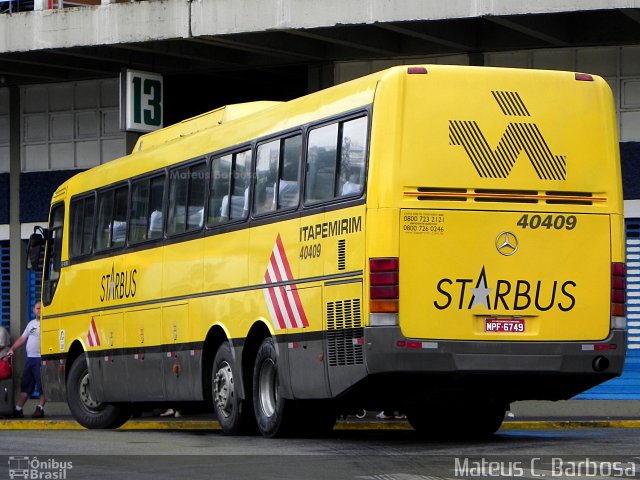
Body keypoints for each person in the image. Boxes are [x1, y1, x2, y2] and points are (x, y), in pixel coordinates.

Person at [7, 302, 45, 418]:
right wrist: (12, 349)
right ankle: (18, 410)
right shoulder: (31, 324)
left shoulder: (48, 324)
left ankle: (40, 408)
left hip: (41, 360)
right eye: (38, 308)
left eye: (41, 309)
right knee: (25, 386)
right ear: (33, 310)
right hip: (30, 360)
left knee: (42, 387)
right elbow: (23, 338)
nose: (40, 310)